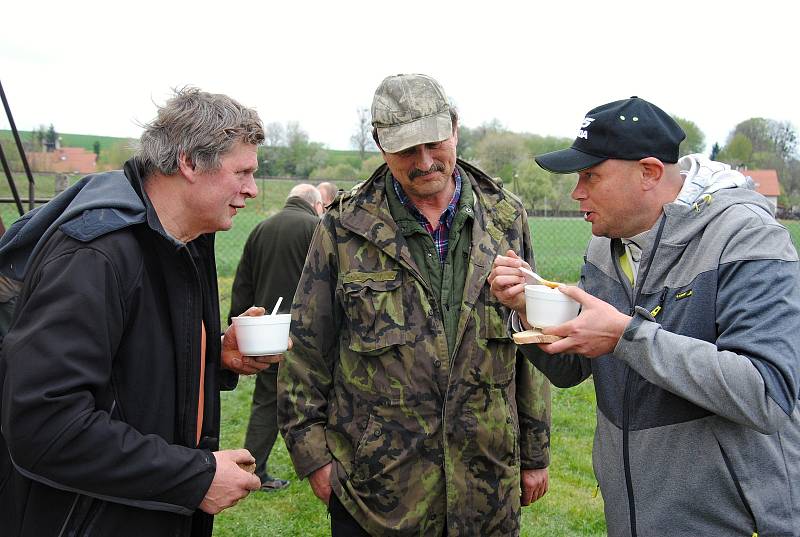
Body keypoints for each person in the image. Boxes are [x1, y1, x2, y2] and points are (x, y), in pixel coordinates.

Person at [489, 96, 800, 536]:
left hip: (734, 522)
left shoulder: (747, 238)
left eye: (590, 175)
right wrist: (530, 309)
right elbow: (573, 367)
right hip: (636, 519)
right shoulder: (606, 242)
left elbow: (768, 394)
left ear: (649, 172)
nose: (577, 192)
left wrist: (626, 337)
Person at [0, 88, 289, 537]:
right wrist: (194, 477)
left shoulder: (182, 242)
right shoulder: (95, 255)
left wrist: (217, 355)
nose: (252, 189)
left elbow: (128, 369)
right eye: (243, 172)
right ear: (189, 163)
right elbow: (44, 424)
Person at [279, 73, 551, 537]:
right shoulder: (344, 227)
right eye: (407, 149)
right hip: (376, 494)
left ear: (455, 128)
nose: (425, 161)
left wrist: (535, 451)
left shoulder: (506, 217)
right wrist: (315, 461)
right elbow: (305, 349)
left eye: (434, 142)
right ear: (380, 144)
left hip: (484, 489)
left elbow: (531, 338)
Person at [228, 183, 323, 492]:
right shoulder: (316, 228)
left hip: (267, 336)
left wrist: (240, 328)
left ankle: (253, 470)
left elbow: (243, 281)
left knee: (266, 403)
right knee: (323, 400)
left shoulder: (260, 228)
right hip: (309, 337)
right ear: (315, 204)